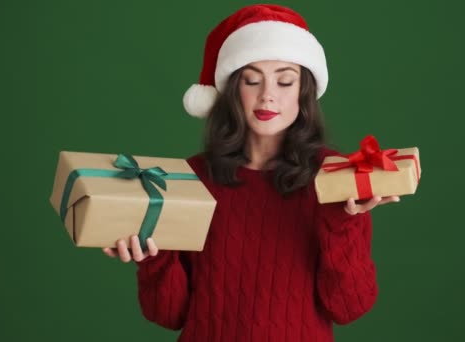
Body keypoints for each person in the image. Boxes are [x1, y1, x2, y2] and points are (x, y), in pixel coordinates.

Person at [103, 4, 399, 341]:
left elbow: (350, 307)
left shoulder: (336, 178)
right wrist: (153, 259)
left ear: (304, 94)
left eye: (285, 81)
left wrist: (344, 223)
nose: (267, 95)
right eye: (252, 79)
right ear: (232, 91)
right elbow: (168, 314)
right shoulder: (191, 178)